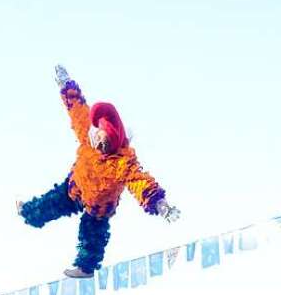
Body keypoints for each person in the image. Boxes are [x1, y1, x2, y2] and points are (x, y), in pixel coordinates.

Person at [18, 65, 179, 278]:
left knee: (91, 232)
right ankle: (28, 213)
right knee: (51, 202)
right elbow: (77, 109)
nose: (102, 146)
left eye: (107, 144)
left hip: (99, 205)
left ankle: (85, 268)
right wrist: (66, 85)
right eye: (101, 141)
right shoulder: (88, 132)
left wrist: (161, 204)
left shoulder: (123, 161)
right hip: (76, 186)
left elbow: (140, 182)